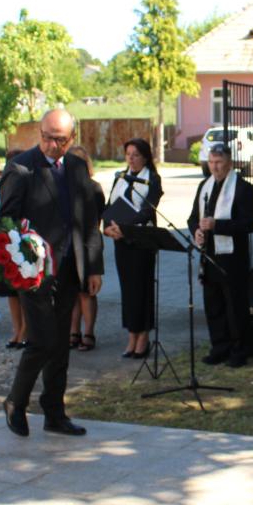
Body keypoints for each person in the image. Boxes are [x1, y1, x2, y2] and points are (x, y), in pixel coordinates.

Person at [0, 108, 103, 438]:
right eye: (46, 137)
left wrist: (93, 267)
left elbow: (88, 221)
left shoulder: (75, 167)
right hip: (34, 272)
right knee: (41, 341)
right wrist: (23, 258)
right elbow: (5, 222)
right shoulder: (21, 168)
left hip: (69, 269)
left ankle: (54, 412)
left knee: (59, 345)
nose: (51, 145)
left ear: (72, 138)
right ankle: (16, 401)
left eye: (59, 139)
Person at [188, 143, 253, 368]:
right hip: (209, 256)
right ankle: (220, 347)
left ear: (229, 164)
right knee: (213, 305)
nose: (214, 167)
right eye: (211, 162)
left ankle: (239, 350)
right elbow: (193, 218)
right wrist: (196, 231)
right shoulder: (204, 186)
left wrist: (217, 225)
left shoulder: (243, 188)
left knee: (235, 307)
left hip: (232, 259)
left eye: (219, 162)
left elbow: (248, 224)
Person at [102, 138, 163, 359]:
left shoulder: (152, 179)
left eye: (135, 154)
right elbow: (110, 206)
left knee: (142, 289)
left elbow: (147, 211)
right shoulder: (120, 177)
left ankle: (143, 336)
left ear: (145, 157)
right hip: (122, 243)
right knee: (128, 290)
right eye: (128, 154)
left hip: (142, 242)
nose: (131, 158)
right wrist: (108, 228)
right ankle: (131, 335)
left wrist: (125, 228)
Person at [66, 144, 105, 352]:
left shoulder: (93, 187)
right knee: (72, 292)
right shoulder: (63, 185)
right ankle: (74, 331)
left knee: (87, 292)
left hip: (87, 245)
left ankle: (88, 332)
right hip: (68, 247)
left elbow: (95, 220)